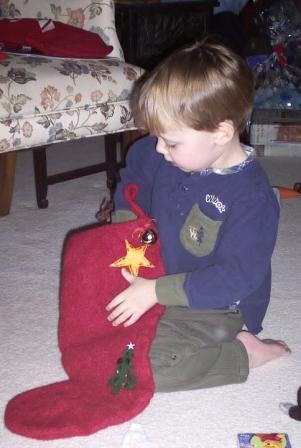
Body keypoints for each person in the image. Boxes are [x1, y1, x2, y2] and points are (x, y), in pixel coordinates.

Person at [105, 37, 290, 392]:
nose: (159, 148)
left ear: (221, 132)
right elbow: (136, 173)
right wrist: (126, 222)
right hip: (162, 278)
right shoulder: (164, 153)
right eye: (157, 136)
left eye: (171, 142)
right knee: (99, 331)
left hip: (219, 304)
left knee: (134, 369)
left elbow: (235, 278)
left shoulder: (251, 200)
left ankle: (244, 354)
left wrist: (155, 292)